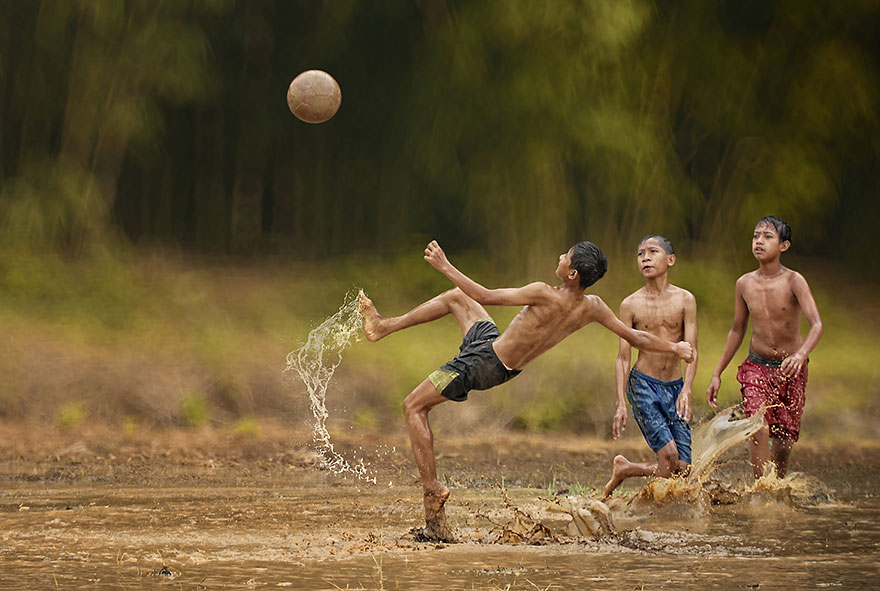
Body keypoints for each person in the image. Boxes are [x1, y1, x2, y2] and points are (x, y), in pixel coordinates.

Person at [359, 240, 694, 541]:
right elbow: (636, 338)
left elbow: (487, 296)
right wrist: (675, 347)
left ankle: (432, 489)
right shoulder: (593, 306)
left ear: (572, 273)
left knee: (413, 406)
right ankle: (384, 326)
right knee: (456, 299)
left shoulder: (544, 292)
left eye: (566, 256)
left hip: (483, 362)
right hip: (497, 357)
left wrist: (444, 265)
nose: (560, 256)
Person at [706, 216, 823, 479]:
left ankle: (778, 485)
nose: (759, 241)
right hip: (757, 366)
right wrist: (717, 372)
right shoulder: (744, 283)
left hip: (790, 369)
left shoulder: (794, 281)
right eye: (756, 235)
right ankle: (761, 490)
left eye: (768, 236)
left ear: (784, 246)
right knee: (757, 426)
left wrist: (801, 354)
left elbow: (816, 324)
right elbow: (737, 329)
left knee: (783, 436)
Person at [602, 235, 698, 499]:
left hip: (675, 386)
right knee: (668, 455)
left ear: (670, 259)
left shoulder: (685, 300)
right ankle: (650, 512)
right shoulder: (630, 304)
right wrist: (621, 402)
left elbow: (692, 350)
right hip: (643, 385)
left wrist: (687, 389)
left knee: (682, 468)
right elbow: (623, 357)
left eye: (652, 252)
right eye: (640, 253)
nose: (645, 257)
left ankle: (626, 469)